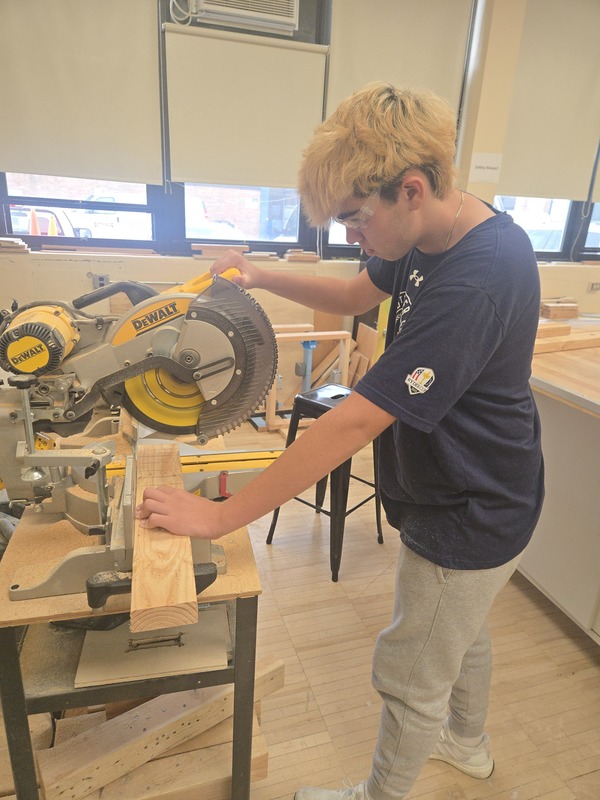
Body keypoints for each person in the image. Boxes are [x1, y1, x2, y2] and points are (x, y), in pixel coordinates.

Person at [136, 83, 544, 799]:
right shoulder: (426, 232)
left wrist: (224, 516)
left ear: (411, 189)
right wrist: (259, 276)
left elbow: (356, 420)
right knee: (461, 633)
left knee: (411, 668)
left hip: (471, 506)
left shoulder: (478, 278)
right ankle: (468, 746)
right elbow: (358, 295)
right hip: (463, 482)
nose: (350, 235)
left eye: (355, 220)